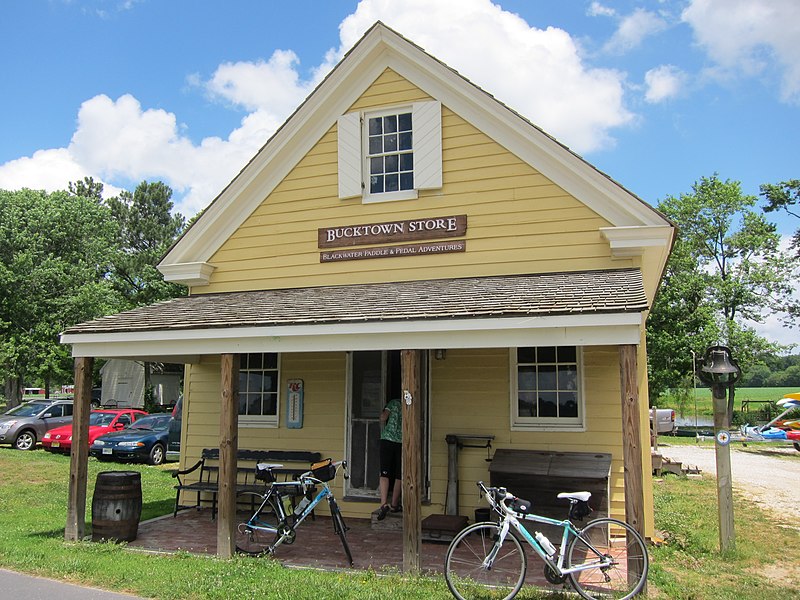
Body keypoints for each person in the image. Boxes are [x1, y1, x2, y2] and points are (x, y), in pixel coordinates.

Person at [377, 397, 402, 520]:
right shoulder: (410, 403)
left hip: (387, 440)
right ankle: (394, 504)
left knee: (384, 473)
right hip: (402, 441)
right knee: (399, 475)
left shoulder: (393, 403)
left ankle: (383, 504)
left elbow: (383, 417)